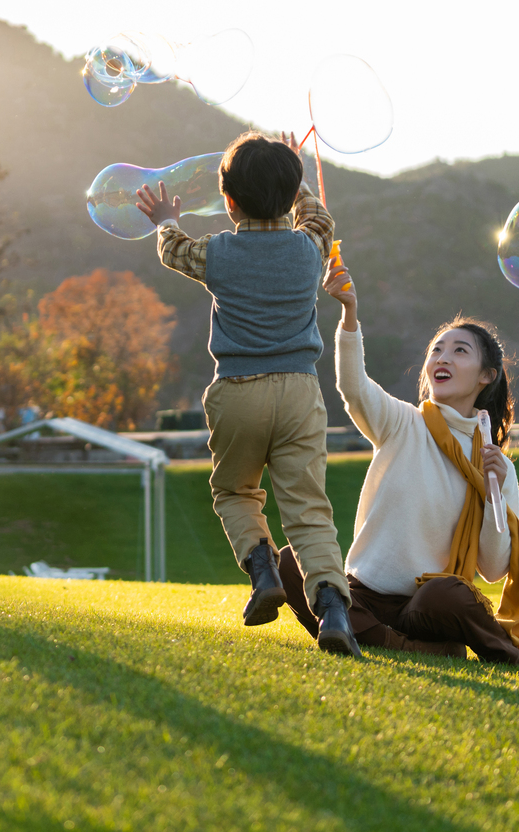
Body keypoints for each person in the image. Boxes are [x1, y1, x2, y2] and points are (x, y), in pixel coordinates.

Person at [278, 252, 519, 672]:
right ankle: (411, 648)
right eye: (437, 349)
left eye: (460, 351)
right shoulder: (403, 423)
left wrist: (492, 492)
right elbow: (353, 386)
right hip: (361, 594)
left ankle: (512, 655)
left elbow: (492, 569)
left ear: (485, 375)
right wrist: (349, 314)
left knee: (449, 594)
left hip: (426, 607)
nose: (443, 357)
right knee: (291, 562)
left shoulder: (497, 466)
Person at [135, 131, 361, 657]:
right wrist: (300, 180)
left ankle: (263, 572)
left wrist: (165, 219)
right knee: (308, 510)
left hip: (237, 391)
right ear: (291, 197)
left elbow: (173, 251)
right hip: (301, 392)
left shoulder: (219, 253)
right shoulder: (310, 249)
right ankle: (333, 610)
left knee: (235, 492)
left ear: (228, 201)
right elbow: (320, 218)